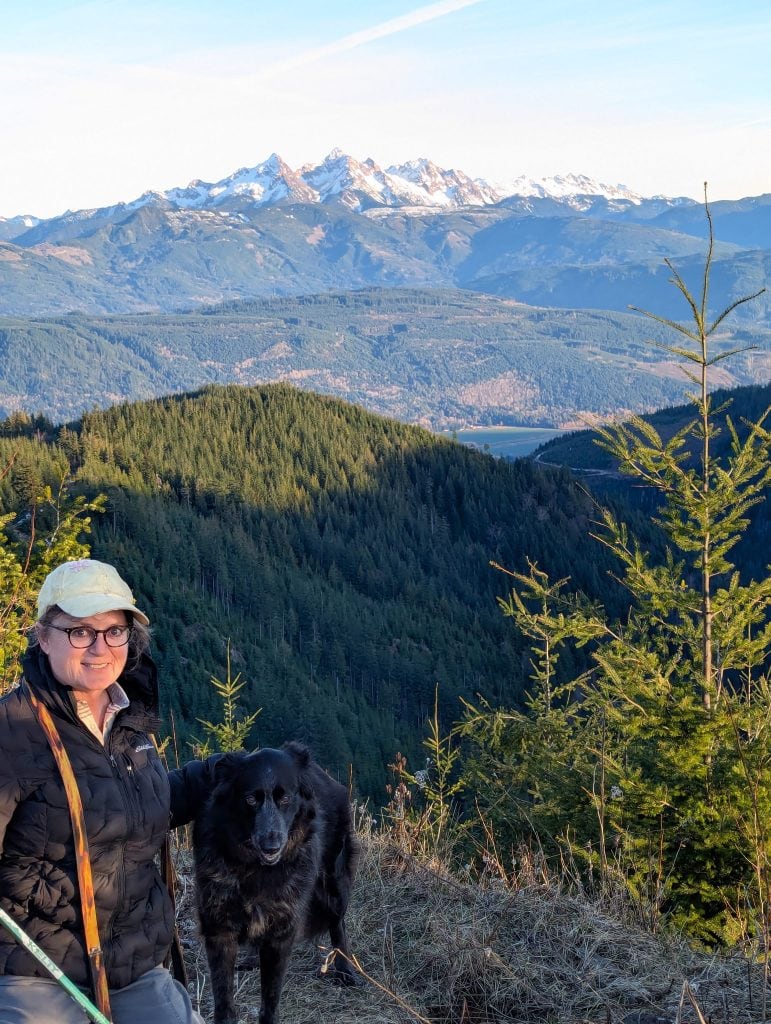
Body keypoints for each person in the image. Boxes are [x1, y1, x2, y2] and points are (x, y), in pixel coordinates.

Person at [0, 558, 214, 1024]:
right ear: (43, 636)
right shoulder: (11, 731)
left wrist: (219, 775)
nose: (100, 647)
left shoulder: (128, 720)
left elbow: (129, 810)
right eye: (80, 631)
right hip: (35, 970)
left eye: (114, 631)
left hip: (132, 965)